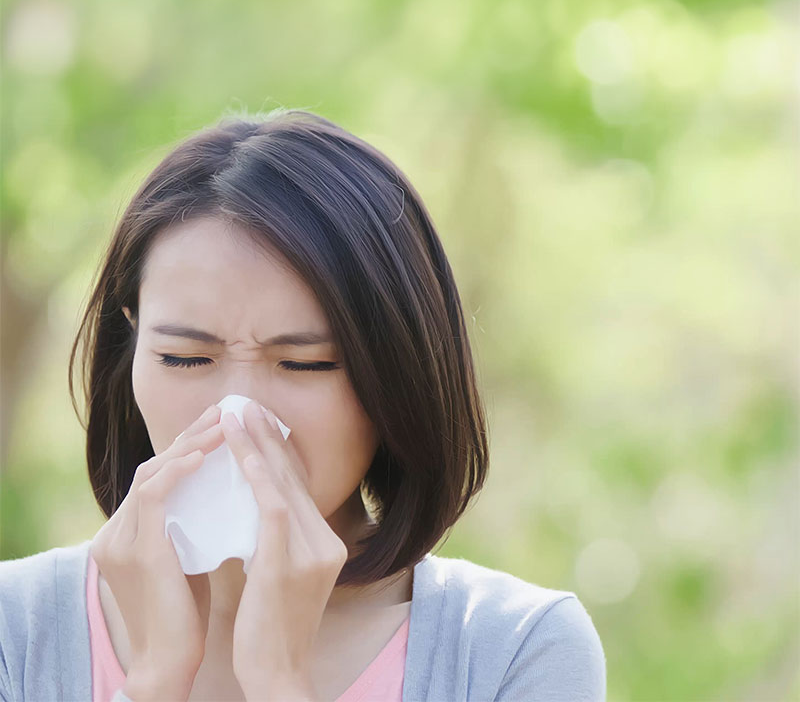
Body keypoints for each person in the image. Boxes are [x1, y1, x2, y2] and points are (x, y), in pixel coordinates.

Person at [0, 108, 606, 701]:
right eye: (185, 357)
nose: (238, 415)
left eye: (305, 364)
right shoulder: (17, 631)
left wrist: (279, 683)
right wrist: (156, 682)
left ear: (395, 376)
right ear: (130, 344)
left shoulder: (516, 650)